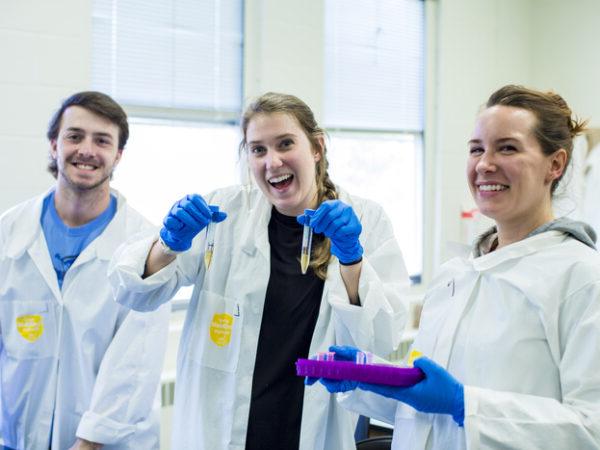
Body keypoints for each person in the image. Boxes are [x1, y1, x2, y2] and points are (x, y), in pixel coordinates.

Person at [109, 92, 410, 449]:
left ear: (317, 147)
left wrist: (352, 259)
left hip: (311, 428)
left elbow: (382, 337)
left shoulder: (366, 220)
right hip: (221, 431)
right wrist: (167, 243)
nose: (273, 162)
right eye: (258, 150)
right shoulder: (222, 214)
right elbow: (132, 292)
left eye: (285, 144)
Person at [313, 85, 600, 449]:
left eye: (507, 148)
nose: (484, 164)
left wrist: (466, 404)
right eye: (476, 149)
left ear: (555, 164)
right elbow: (424, 410)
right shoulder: (457, 275)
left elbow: (591, 429)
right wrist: (372, 378)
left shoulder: (582, 276)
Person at [0, 92, 170, 450]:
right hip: (16, 436)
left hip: (108, 442)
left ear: (118, 154)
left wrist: (90, 443)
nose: (87, 150)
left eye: (102, 140)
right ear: (53, 145)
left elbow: (134, 365)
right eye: (74, 136)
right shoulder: (9, 233)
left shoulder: (145, 246)